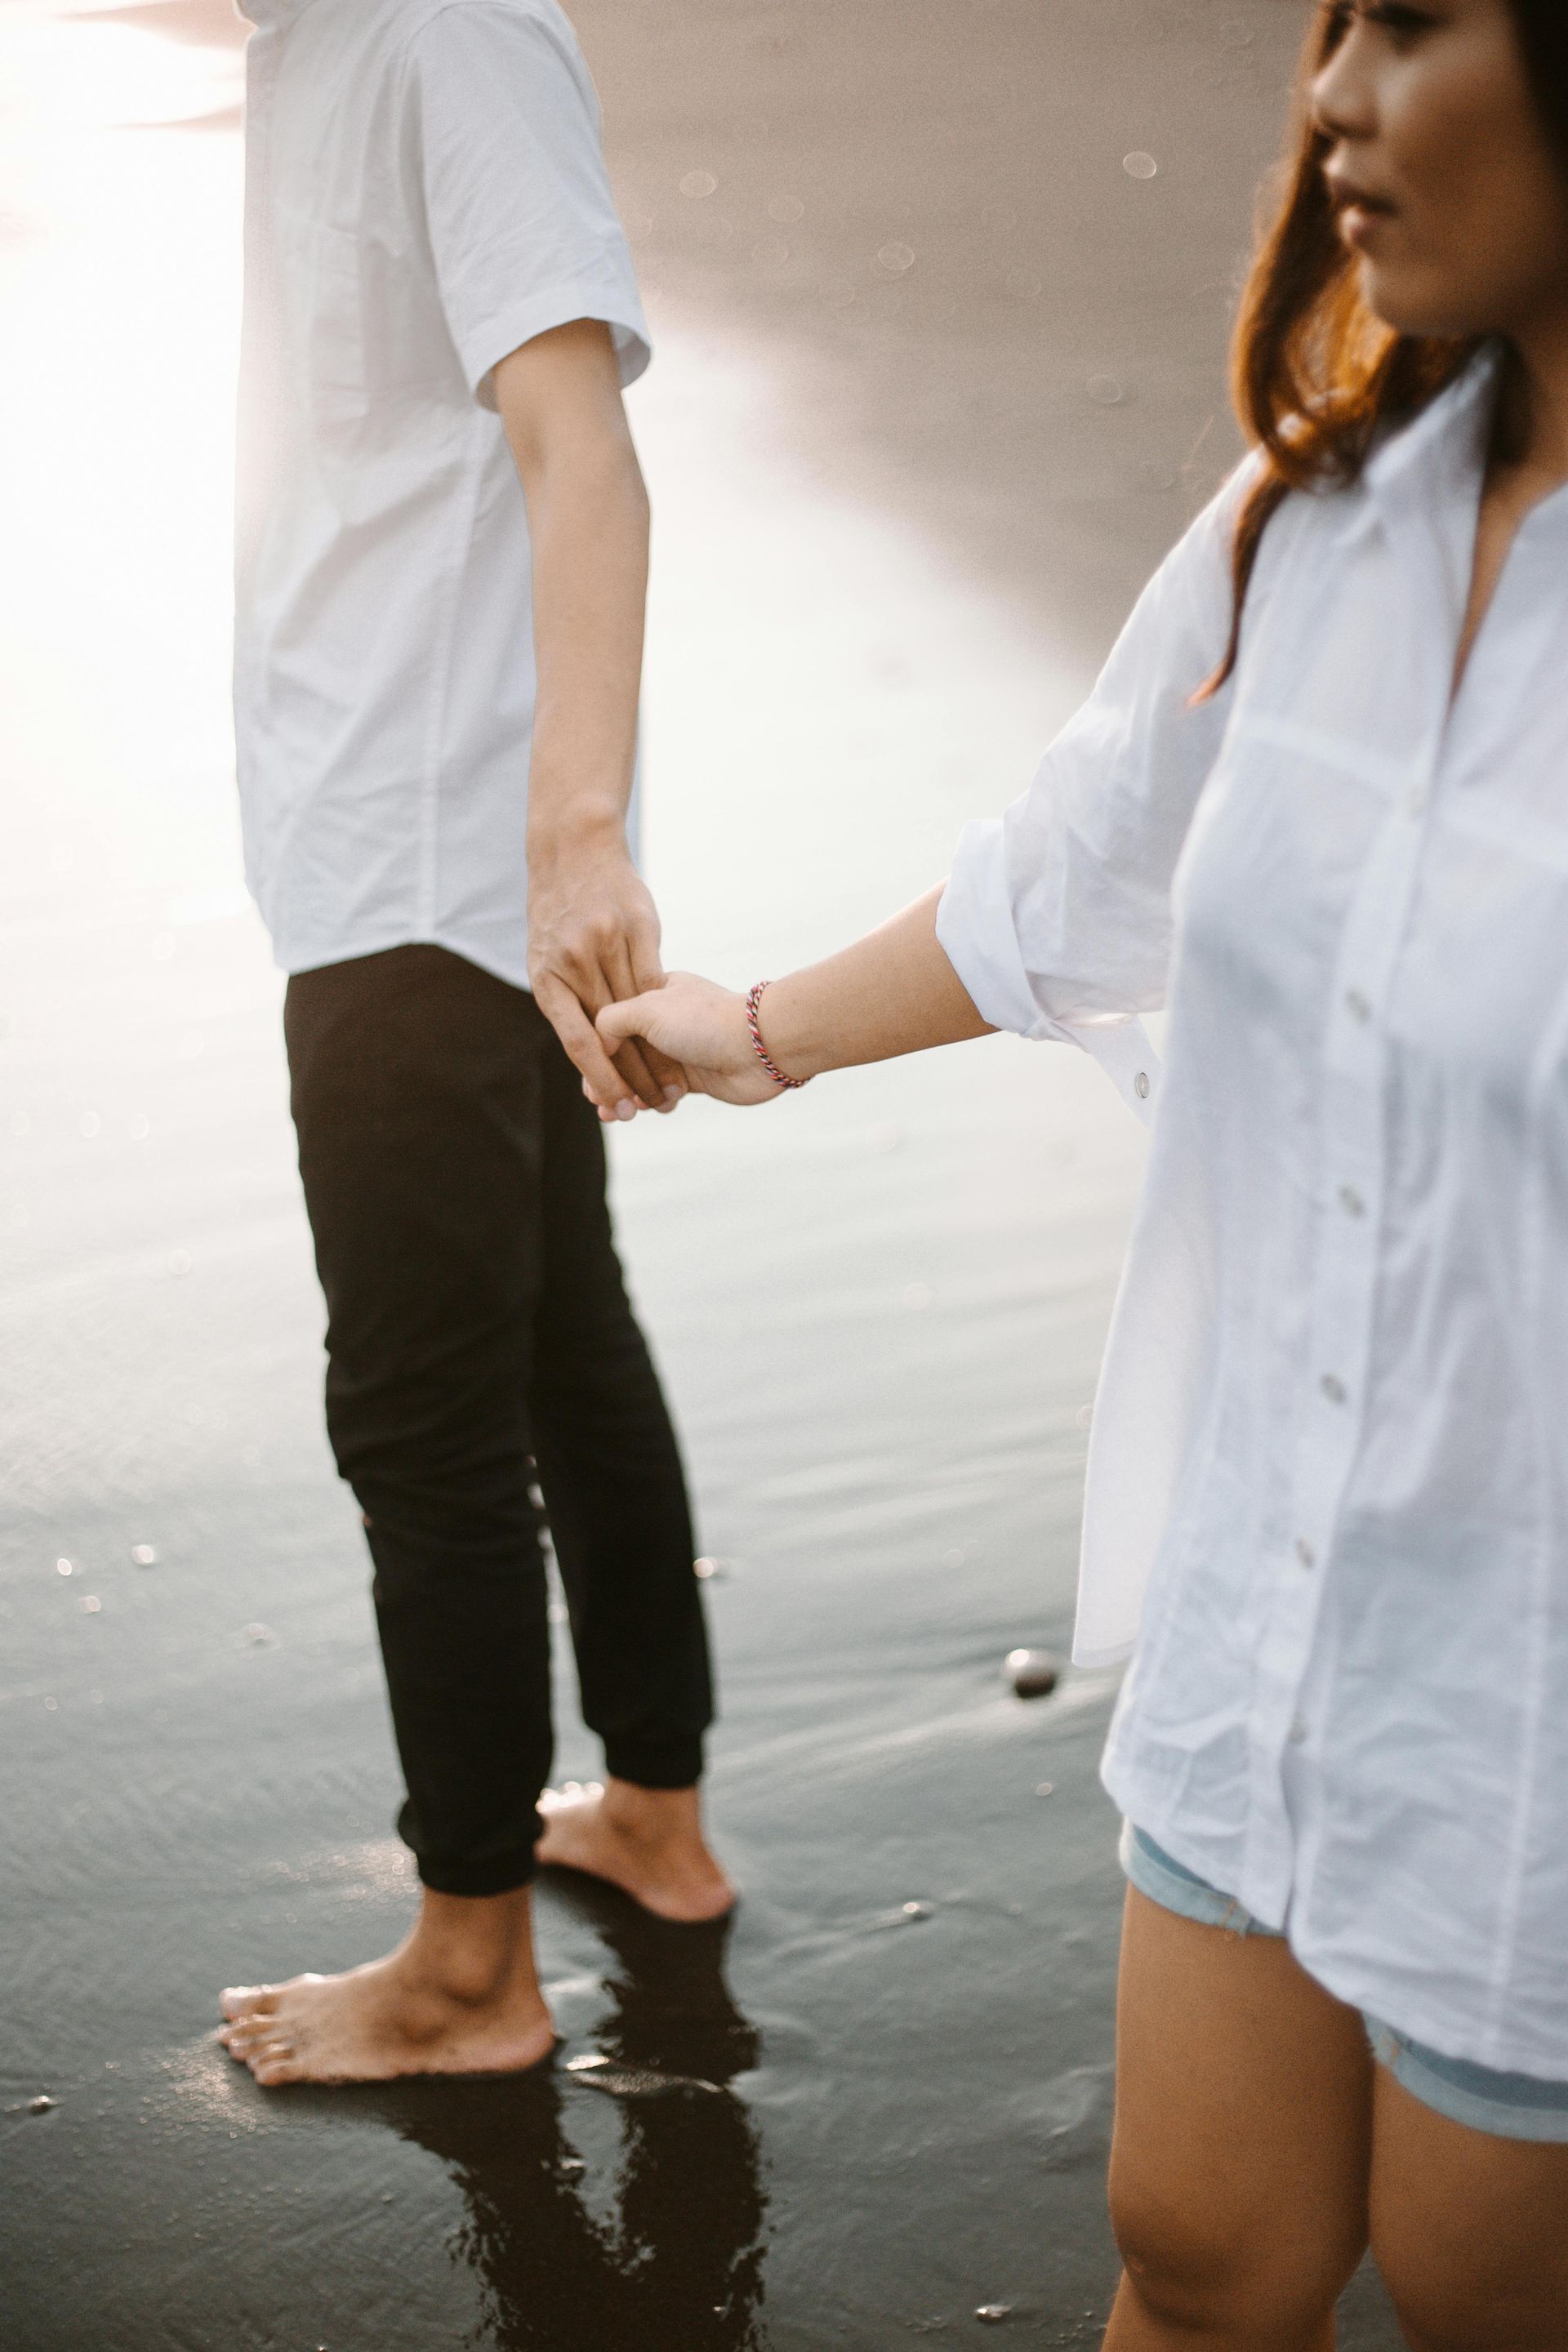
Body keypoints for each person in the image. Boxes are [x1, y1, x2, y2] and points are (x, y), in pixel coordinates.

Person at [597, 2, 1568, 2342]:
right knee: (1198, 2254)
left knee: (1482, 2295)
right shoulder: (1315, 520)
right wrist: (753, 1039)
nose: (1329, 98)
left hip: (1533, 1702)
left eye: (1411, 26)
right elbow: (1077, 872)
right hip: (1278, 1600)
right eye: (1325, 32)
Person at [216, 0, 731, 2094]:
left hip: (431, 861)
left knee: (422, 1419)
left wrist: (577, 831)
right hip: (429, 844)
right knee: (556, 1346)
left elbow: (579, 444)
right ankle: (660, 1828)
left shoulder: (439, 24)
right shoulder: (317, 35)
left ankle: (466, 1971)